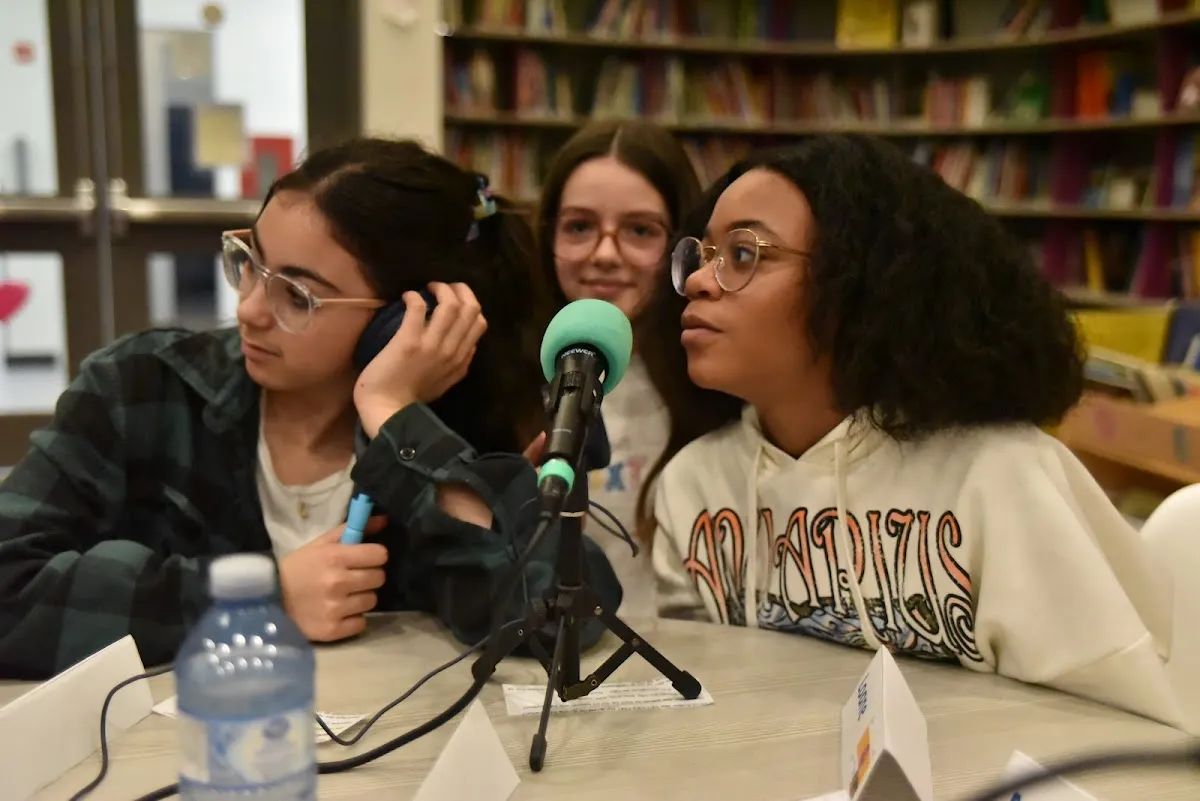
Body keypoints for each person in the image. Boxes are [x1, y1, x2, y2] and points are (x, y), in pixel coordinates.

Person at [0, 137, 620, 680]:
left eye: (295, 295)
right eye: (248, 262)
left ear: (400, 319)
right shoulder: (142, 389)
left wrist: (391, 411)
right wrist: (261, 601)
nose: (248, 308)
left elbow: (558, 617)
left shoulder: (445, 431)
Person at [641, 134, 1184, 728]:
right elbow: (696, 713)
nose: (698, 281)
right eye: (700, 255)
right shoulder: (693, 487)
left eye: (744, 254)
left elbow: (1121, 734)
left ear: (860, 281)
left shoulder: (1001, 477)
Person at [535, 120, 701, 617]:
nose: (605, 255)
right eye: (579, 227)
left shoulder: (712, 384)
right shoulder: (506, 377)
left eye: (640, 230)